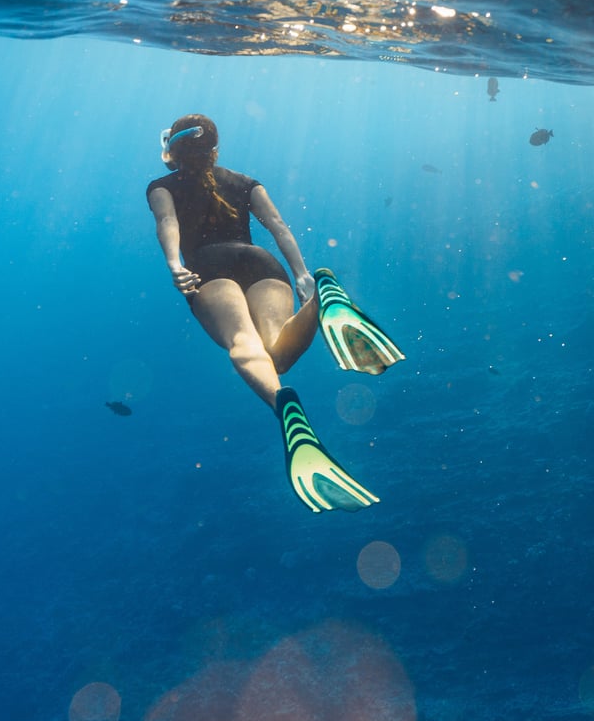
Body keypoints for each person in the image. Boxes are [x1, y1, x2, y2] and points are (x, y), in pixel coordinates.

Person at [146, 113, 404, 512]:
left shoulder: (161, 186)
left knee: (243, 344)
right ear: (215, 149)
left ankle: (282, 404)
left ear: (173, 150)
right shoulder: (246, 182)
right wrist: (302, 275)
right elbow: (279, 226)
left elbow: (167, 221)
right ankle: (324, 296)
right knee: (277, 352)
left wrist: (175, 265)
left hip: (208, 268)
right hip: (262, 263)